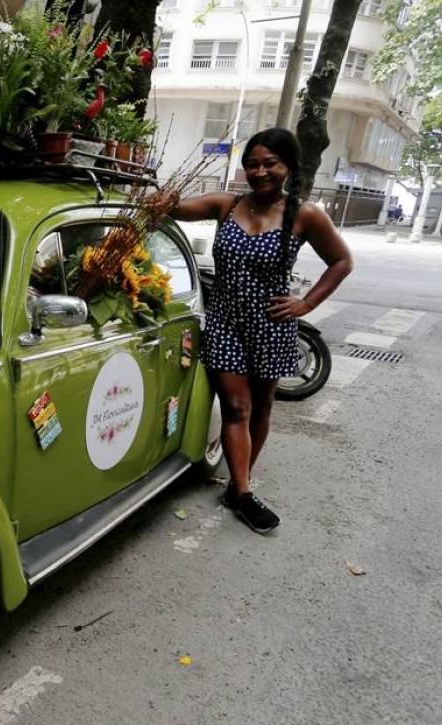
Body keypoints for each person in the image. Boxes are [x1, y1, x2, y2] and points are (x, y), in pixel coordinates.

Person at [172, 127, 353, 533]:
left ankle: (240, 484)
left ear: (287, 166)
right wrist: (156, 198)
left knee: (263, 407)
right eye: (252, 164)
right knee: (237, 407)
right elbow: (178, 208)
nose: (260, 171)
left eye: (270, 163)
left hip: (272, 326)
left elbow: (341, 261)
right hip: (225, 322)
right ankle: (244, 492)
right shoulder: (228, 204)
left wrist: (306, 303)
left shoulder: (305, 215)